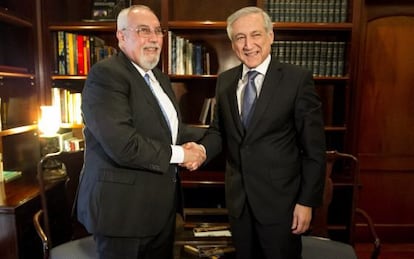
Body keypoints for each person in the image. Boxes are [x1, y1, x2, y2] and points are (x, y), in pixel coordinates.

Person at [183, 6, 326, 259]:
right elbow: (219, 130)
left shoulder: (296, 80)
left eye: (256, 35)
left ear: (270, 36)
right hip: (239, 202)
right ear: (233, 43)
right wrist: (203, 149)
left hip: (282, 205)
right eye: (240, 38)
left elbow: (314, 149)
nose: (249, 44)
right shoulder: (225, 80)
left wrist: (306, 203)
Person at [76, 5, 205, 259]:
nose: (154, 38)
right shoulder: (107, 75)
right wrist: (183, 155)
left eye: (158, 31)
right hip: (122, 215)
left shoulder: (159, 78)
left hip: (159, 212)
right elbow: (123, 145)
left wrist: (207, 142)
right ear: (121, 36)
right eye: (143, 30)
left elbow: (170, 131)